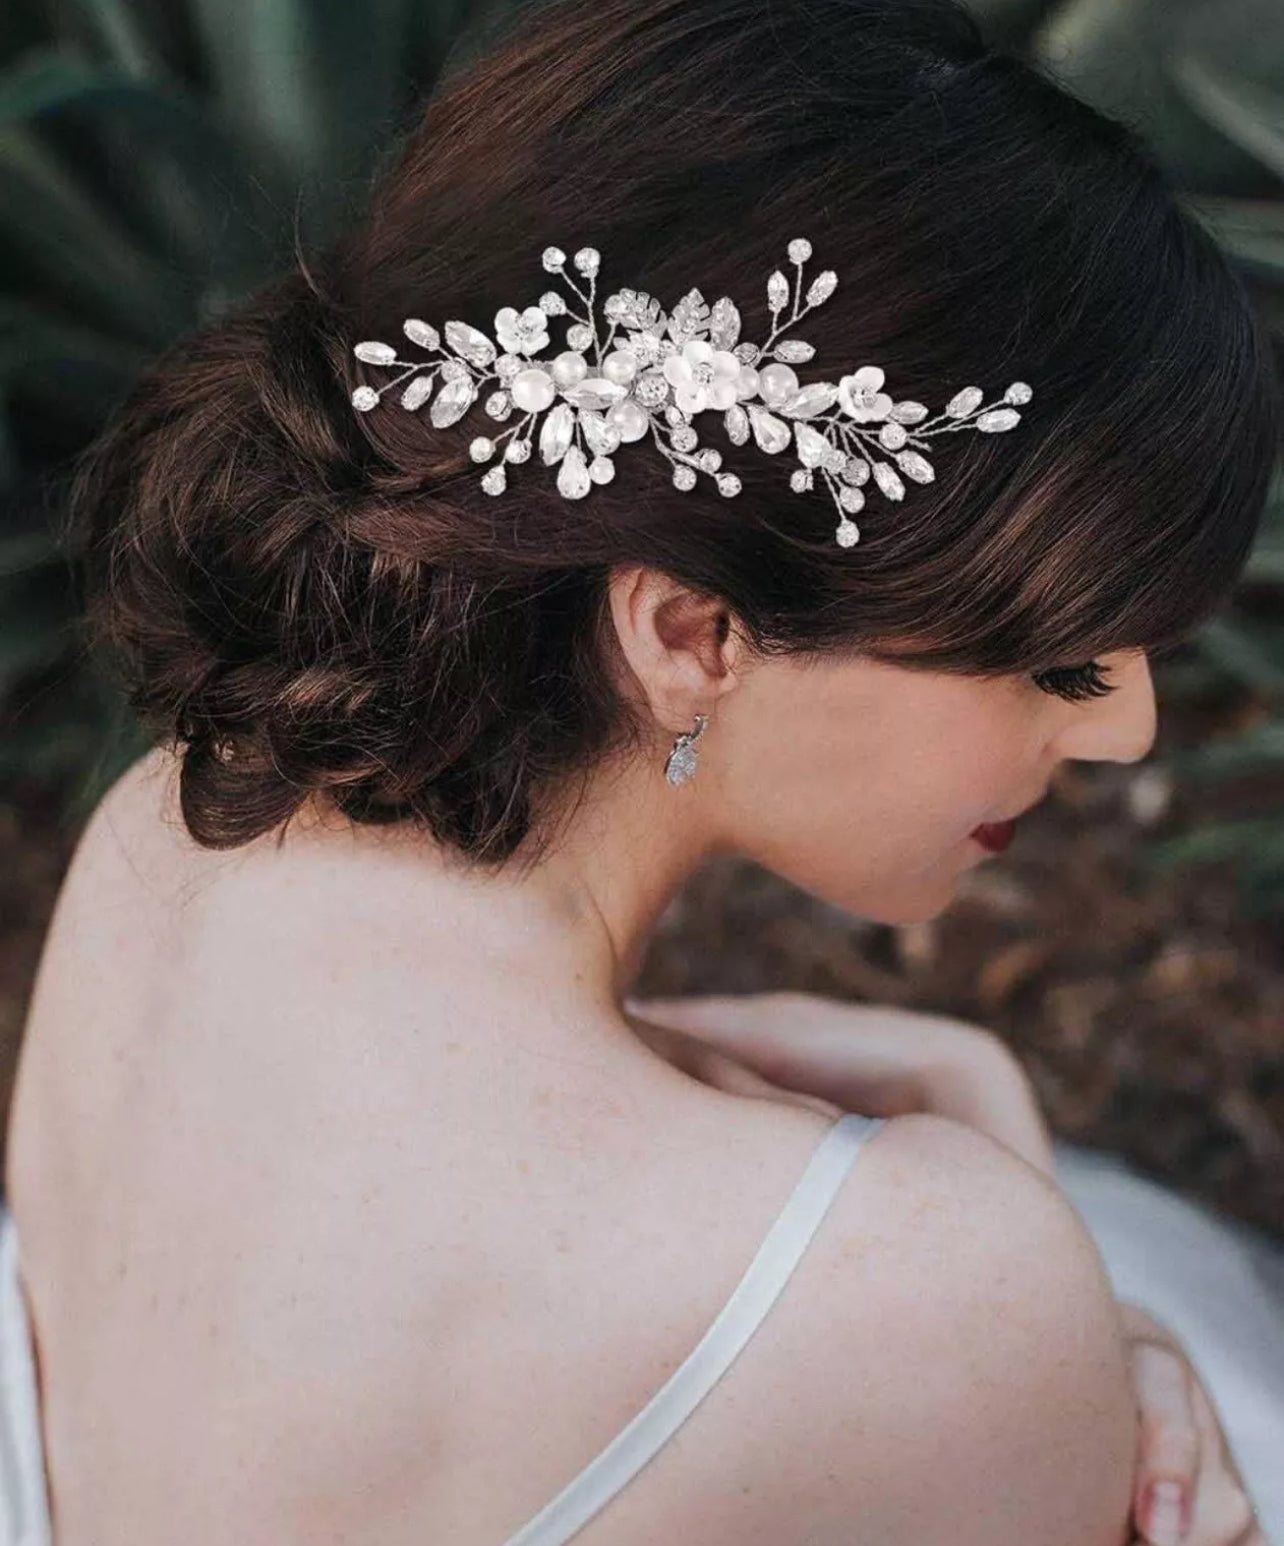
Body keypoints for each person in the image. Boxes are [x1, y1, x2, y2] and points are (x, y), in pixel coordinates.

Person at [1, 0, 1281, 1542]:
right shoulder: (917, 1312)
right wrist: (1042, 1303)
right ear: (690, 630)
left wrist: (971, 1111)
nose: (1129, 728)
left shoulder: (172, 834)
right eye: (1053, 660)